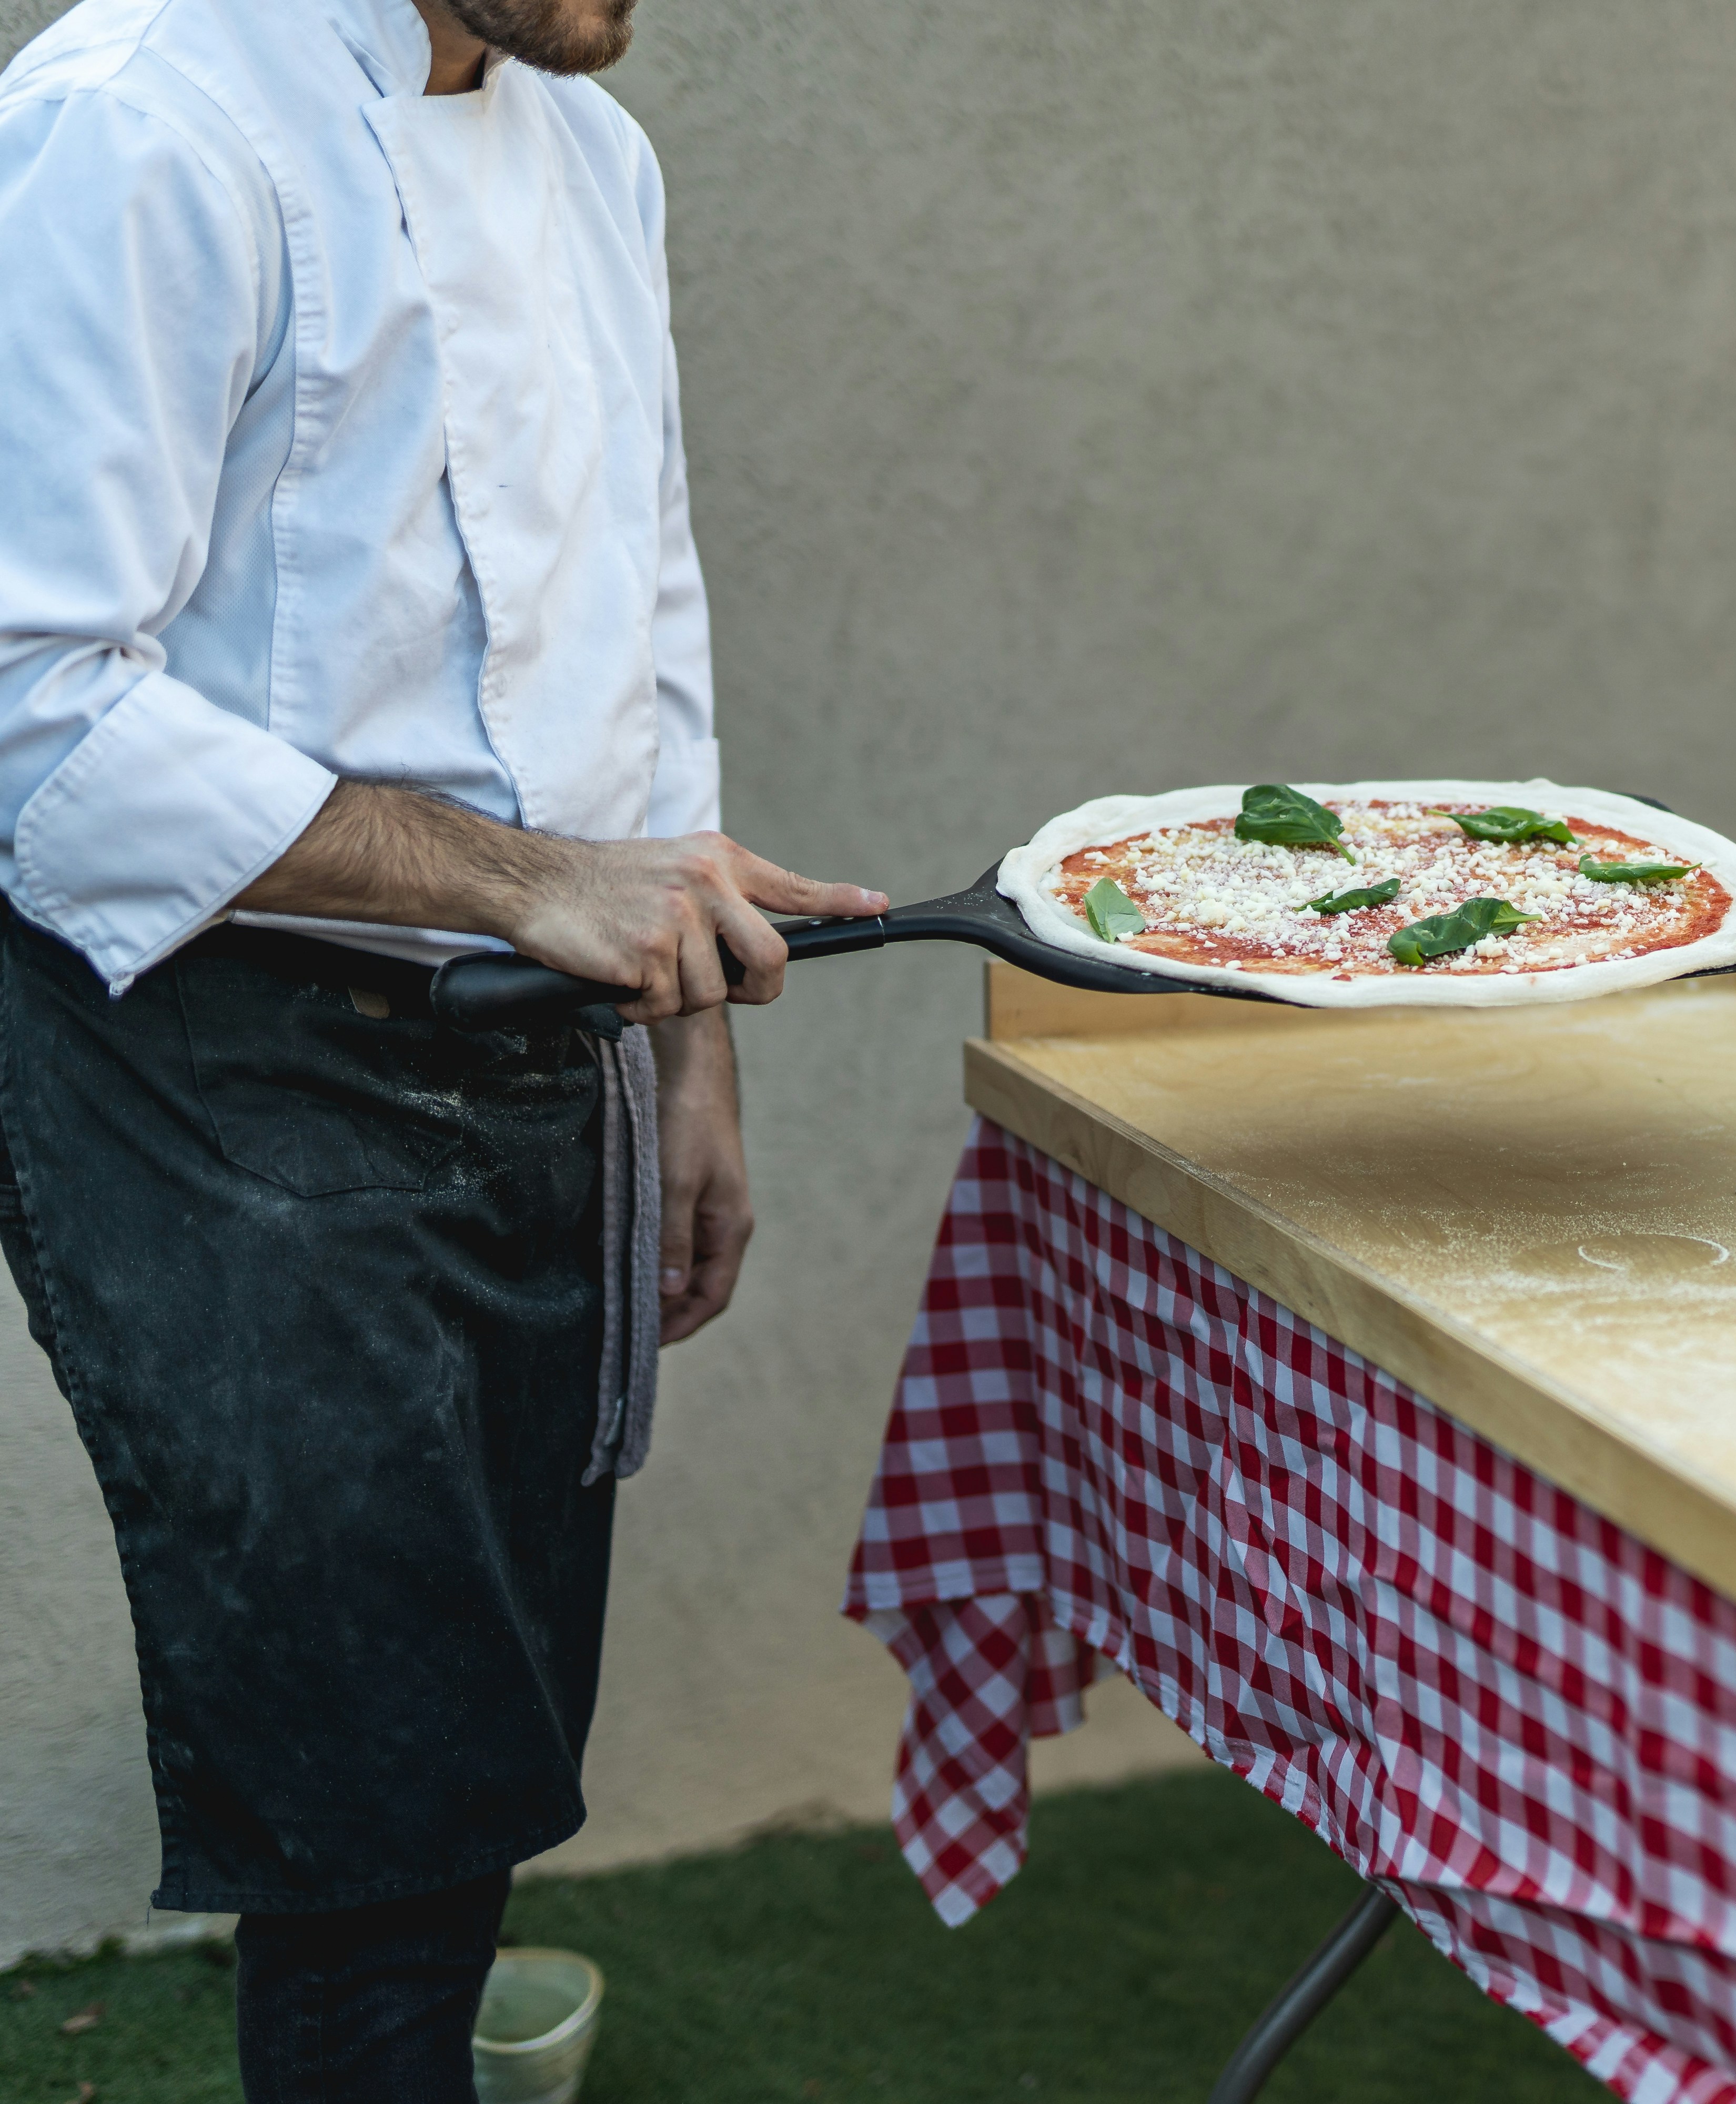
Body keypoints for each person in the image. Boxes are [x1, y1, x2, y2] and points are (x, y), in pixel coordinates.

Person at [0, 0, 883, 2094]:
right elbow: (28, 700)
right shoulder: (140, 124)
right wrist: (514, 886)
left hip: (546, 1037)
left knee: (477, 1742)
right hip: (214, 1050)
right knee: (373, 1793)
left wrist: (682, 1040)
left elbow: (641, 618)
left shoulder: (594, 152)